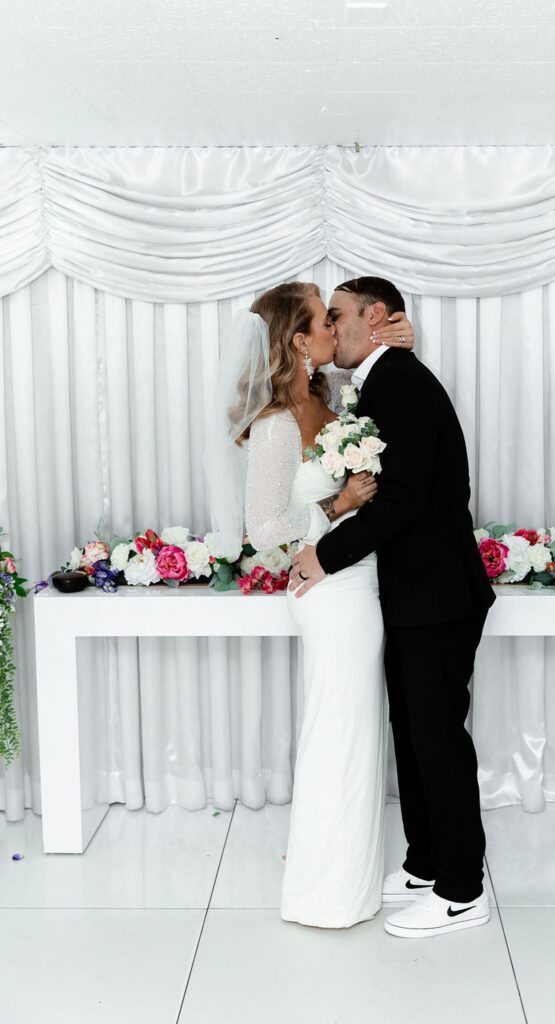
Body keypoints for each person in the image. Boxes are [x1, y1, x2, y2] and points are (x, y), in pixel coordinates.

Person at [290, 276, 496, 939]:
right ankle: (425, 861)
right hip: (415, 591)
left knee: (435, 739)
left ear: (375, 317)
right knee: (412, 734)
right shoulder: (382, 380)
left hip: (435, 593)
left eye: (340, 314)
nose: (332, 324)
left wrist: (326, 554)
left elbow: (403, 497)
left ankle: (462, 889)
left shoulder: (397, 380)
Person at [210, 281, 415, 928]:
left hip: (360, 584)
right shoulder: (275, 425)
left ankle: (346, 879)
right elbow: (264, 529)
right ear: (299, 341)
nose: (334, 326)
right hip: (329, 595)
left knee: (353, 734)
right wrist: (337, 505)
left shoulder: (332, 406)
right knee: (337, 734)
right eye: (323, 319)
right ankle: (324, 895)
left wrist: (401, 339)